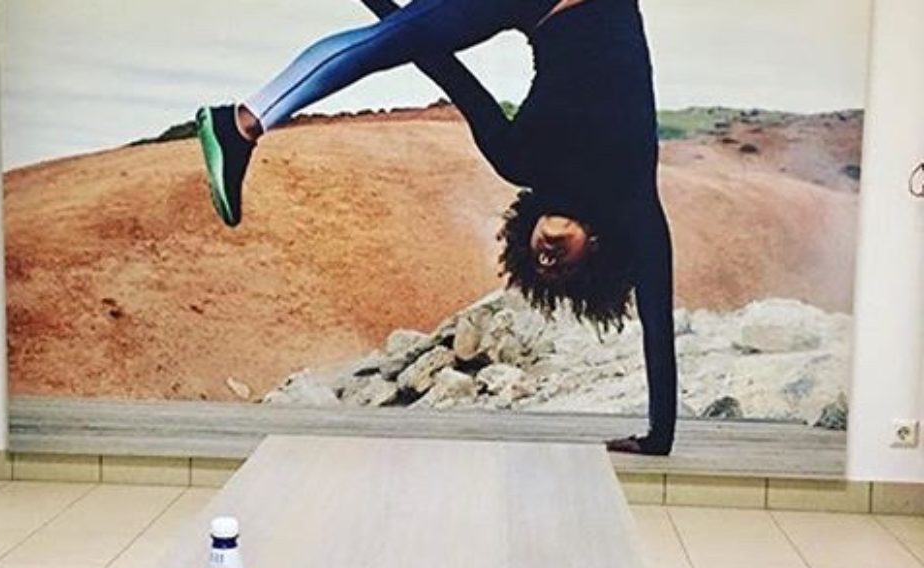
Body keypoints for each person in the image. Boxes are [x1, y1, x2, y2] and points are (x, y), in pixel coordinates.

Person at [197, 0, 677, 456]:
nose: (547, 255)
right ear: (596, 250)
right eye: (561, 265)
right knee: (386, 43)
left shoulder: (515, 159)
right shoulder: (632, 199)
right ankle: (238, 127)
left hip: (538, 10)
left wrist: (397, 22)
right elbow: (657, 325)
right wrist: (660, 435)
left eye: (540, 263)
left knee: (390, 43)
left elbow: (444, 67)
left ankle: (239, 126)